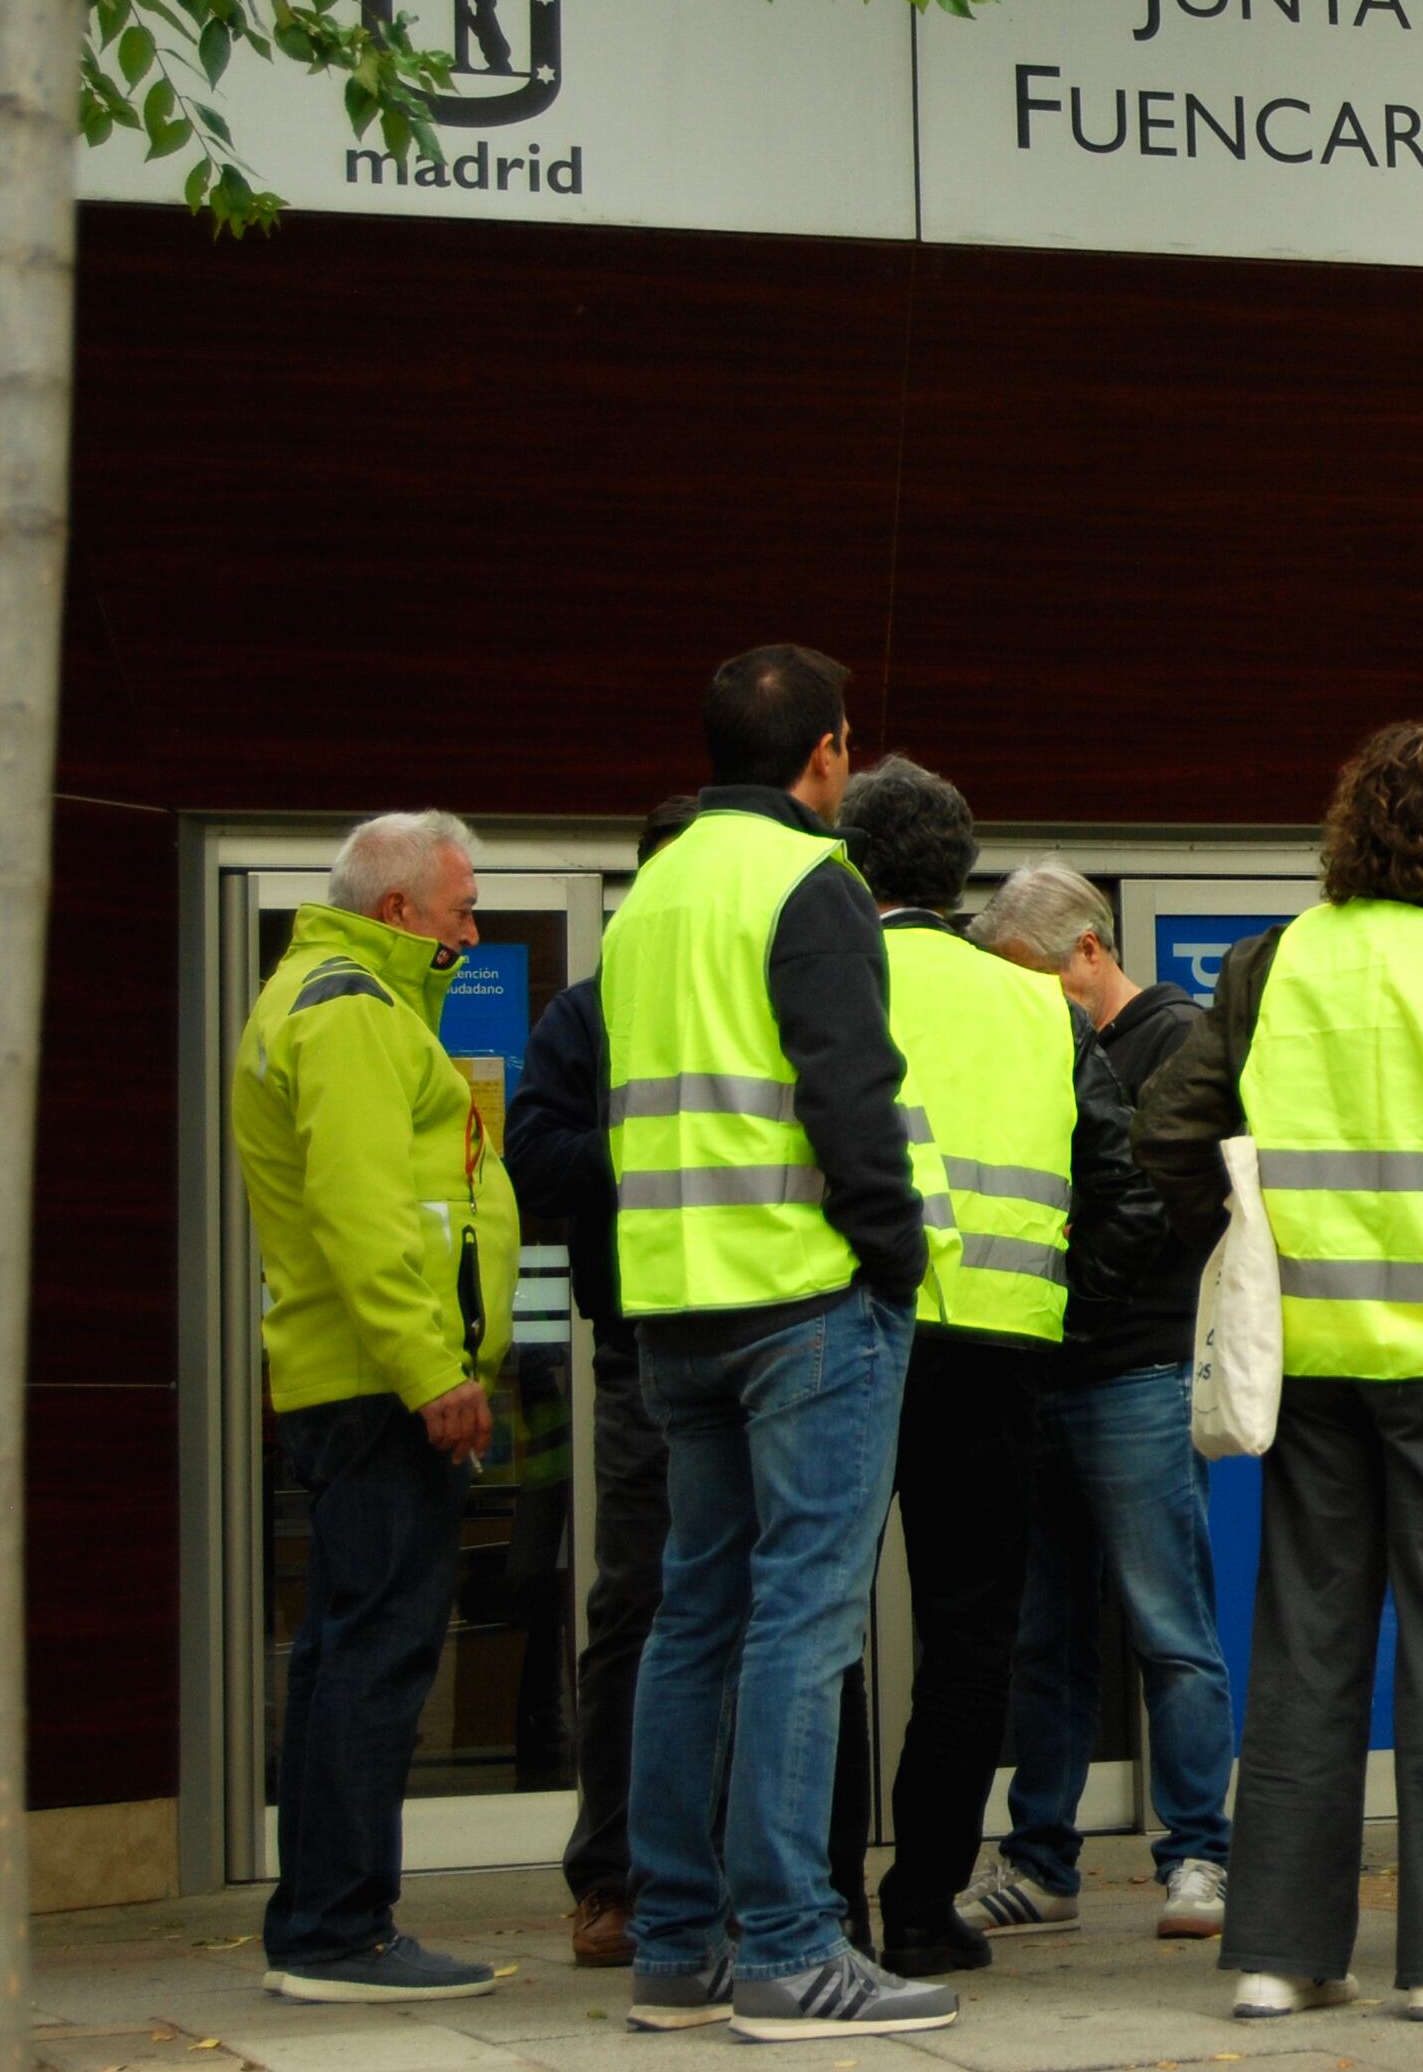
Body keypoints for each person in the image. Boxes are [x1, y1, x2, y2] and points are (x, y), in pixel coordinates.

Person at [1136, 722, 1423, 2024]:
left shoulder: (1276, 963)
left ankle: (1280, 1951)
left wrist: (1243, 1255)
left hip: (1313, 1363)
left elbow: (1168, 1131)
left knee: (1307, 1644)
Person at [605, 646, 958, 2040]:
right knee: (804, 1626)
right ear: (822, 756)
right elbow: (850, 1091)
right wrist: (895, 1257)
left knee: (694, 1619)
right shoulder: (809, 883)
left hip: (677, 1307)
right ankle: (794, 1952)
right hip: (804, 1299)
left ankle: (677, 1944)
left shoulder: (654, 895)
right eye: (848, 743)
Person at [830, 759, 1173, 1977]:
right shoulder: (1035, 1006)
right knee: (976, 1635)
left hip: (854, 1332)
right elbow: (1127, 1190)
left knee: (824, 1627)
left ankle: (823, 1909)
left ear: (850, 864)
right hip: (1004, 1356)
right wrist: (1066, 1318)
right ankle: (925, 1905)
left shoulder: (829, 980)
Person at [238, 812, 521, 2004]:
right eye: (459, 907)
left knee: (344, 1649)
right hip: (377, 1382)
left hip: (353, 1373)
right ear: (398, 907)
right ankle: (342, 1931)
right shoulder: (351, 1006)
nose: (472, 927)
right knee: (377, 1653)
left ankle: (317, 1915)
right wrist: (433, 1371)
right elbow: (362, 1208)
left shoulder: (339, 995)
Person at [957, 864, 1238, 1941]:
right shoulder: (1044, 1034)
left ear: (1086, 948)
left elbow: (1167, 1206)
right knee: (1047, 1633)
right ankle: (1038, 1859)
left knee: (1169, 1623)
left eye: (1032, 972)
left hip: (1134, 1367)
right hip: (1054, 1365)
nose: (1021, 994)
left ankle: (1198, 1851)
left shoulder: (1174, 1037)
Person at [510, 791, 702, 1969]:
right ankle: (614, 1877)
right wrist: (655, 1146)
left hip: (769, 1336)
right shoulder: (588, 1013)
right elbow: (535, 1157)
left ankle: (744, 1875)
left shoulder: (775, 998)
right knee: (634, 1610)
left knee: (758, 1613)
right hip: (641, 1350)